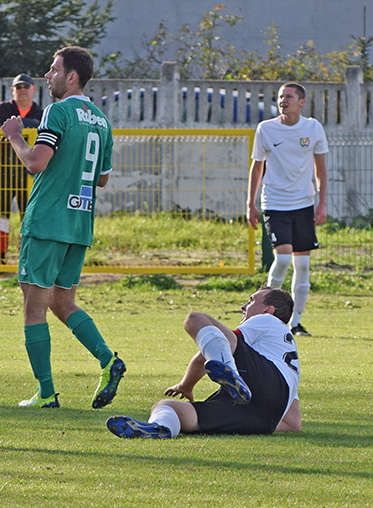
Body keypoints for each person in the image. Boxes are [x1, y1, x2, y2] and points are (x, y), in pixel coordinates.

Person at [1, 46, 125, 410]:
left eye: (53, 69)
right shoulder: (102, 120)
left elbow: (37, 163)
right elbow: (102, 178)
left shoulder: (57, 111)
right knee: (62, 301)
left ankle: (45, 393)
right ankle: (108, 360)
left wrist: (15, 135)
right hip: (79, 223)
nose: (47, 75)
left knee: (33, 307)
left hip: (47, 220)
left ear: (72, 77)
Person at [107, 287, 302, 439]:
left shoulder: (267, 320)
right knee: (167, 406)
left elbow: (205, 355)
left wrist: (186, 385)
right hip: (264, 417)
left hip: (256, 383)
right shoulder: (284, 358)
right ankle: (162, 427)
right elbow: (293, 423)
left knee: (196, 319)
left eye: (251, 301)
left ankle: (230, 371)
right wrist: (257, 423)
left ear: (268, 310)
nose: (243, 306)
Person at [247, 82, 328, 337]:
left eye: (289, 96)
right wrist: (250, 203)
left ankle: (296, 323)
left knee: (302, 266)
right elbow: (257, 167)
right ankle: (263, 316)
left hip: (304, 204)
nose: (283, 100)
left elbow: (321, 169)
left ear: (301, 102)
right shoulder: (266, 129)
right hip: (275, 203)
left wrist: (322, 203)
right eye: (281, 96)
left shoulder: (313, 128)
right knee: (282, 259)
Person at [0, 74, 43, 267]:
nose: (22, 90)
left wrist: (18, 125)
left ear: (33, 89)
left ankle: (26, 259)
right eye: (18, 87)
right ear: (12, 90)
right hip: (3, 171)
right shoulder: (4, 108)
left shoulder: (41, 111)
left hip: (29, 174)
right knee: (0, 216)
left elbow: (43, 128)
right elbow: (2, 126)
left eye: (26, 86)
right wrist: (30, 124)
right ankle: (0, 260)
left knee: (28, 217)